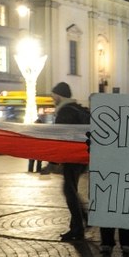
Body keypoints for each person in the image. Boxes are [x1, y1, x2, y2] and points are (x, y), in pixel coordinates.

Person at [51, 82, 90, 241]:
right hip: (81, 156)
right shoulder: (78, 108)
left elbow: (60, 137)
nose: (52, 98)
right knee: (71, 189)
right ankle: (81, 222)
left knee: (69, 191)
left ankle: (78, 227)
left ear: (59, 95)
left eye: (53, 95)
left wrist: (53, 160)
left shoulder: (65, 112)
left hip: (71, 157)